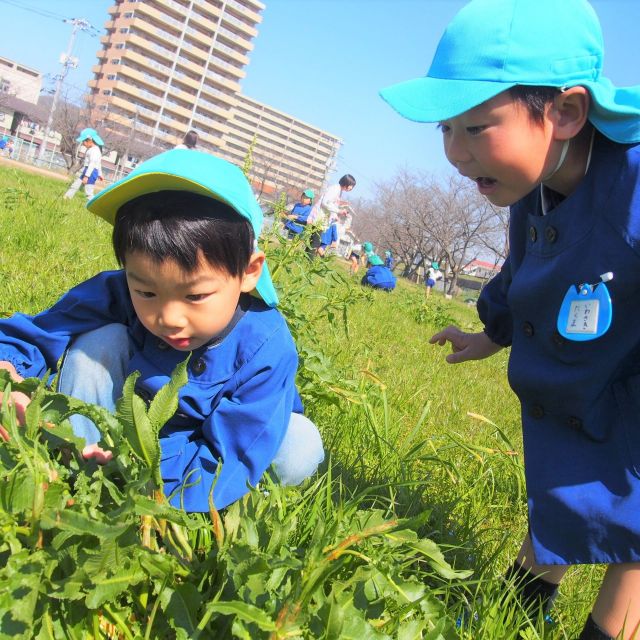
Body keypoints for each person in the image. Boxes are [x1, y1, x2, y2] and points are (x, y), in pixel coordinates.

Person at [381, 0, 640, 637]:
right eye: (446, 129)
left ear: (567, 112)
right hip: (588, 377)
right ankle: (515, 609)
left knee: (634, 526)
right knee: (567, 482)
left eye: (476, 128)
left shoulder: (631, 188)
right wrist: (490, 333)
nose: (455, 152)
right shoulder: (535, 189)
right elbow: (520, 272)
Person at [0, 149, 325, 513]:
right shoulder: (118, 290)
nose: (169, 317)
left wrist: (149, 476)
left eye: (196, 295)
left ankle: (224, 506)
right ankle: (83, 461)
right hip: (127, 421)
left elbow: (238, 443)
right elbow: (44, 328)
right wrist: (8, 374)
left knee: (300, 445)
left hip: (216, 446)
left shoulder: (266, 347)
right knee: (99, 342)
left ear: (249, 272)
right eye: (147, 292)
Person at [308, 174, 356, 256]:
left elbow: (332, 204)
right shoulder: (335, 189)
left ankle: (306, 259)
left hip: (323, 218)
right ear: (346, 183)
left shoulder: (339, 190)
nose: (351, 188)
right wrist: (338, 211)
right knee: (315, 242)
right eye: (351, 186)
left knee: (314, 241)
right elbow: (325, 202)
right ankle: (309, 261)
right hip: (319, 217)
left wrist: (336, 214)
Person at [63, 128, 104, 201]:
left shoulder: (94, 151)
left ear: (90, 140)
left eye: (84, 141)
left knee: (88, 192)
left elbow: (92, 164)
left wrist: (86, 176)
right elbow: (98, 164)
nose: (83, 143)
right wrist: (100, 174)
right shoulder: (93, 149)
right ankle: (66, 198)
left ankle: (94, 206)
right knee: (75, 185)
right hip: (88, 172)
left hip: (90, 173)